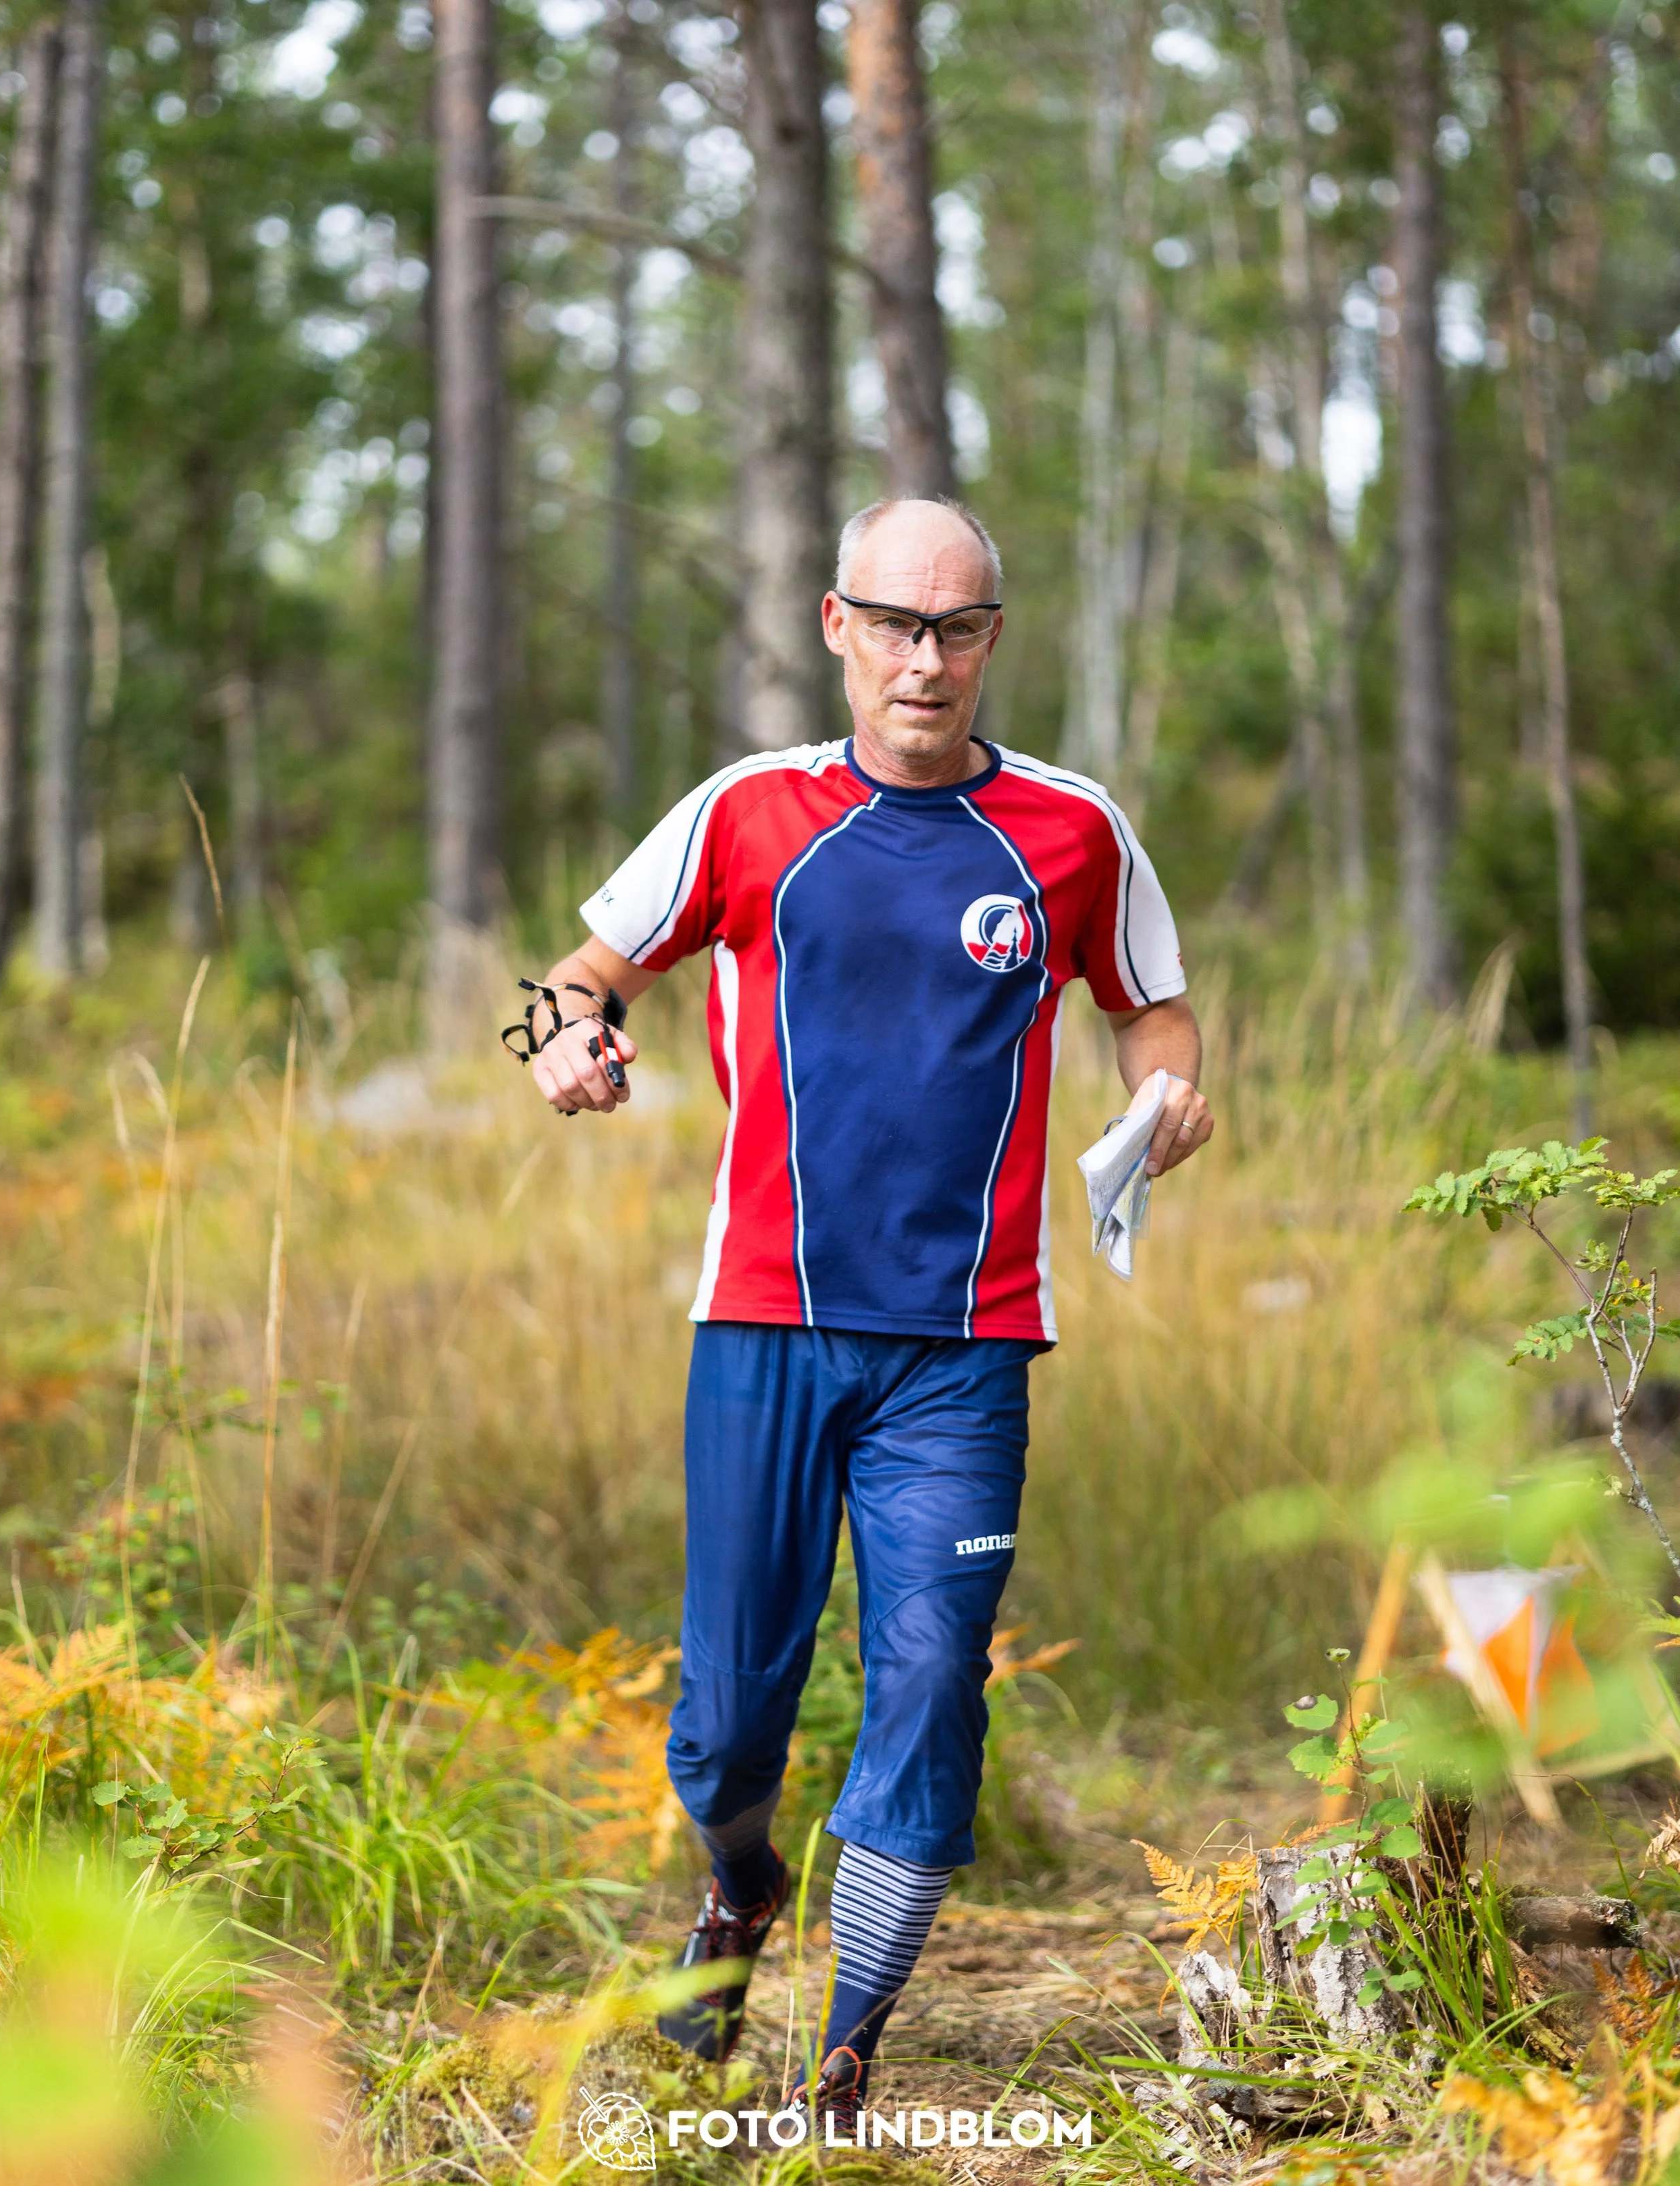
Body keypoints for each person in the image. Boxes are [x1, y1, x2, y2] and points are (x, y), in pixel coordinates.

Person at [519, 497, 1212, 2122]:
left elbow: (1155, 1020)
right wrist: (555, 1041)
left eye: (956, 627)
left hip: (966, 1345)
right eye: (894, 624)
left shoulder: (1069, 830)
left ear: (990, 639)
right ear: (835, 626)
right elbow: (578, 974)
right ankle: (740, 1879)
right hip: (760, 1323)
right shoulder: (750, 813)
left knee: (927, 1675)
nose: (924, 659)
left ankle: (844, 2063)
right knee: (724, 1721)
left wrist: (1170, 1105)